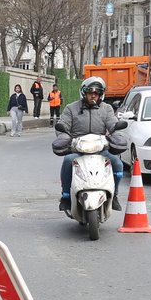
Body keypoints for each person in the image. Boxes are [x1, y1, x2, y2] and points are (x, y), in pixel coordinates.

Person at [54, 78, 127, 212]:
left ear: (101, 94)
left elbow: (113, 124)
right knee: (68, 160)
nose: (93, 95)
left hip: (100, 148)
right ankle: (65, 196)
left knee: (117, 163)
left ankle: (114, 195)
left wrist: (117, 135)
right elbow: (63, 125)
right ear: (83, 93)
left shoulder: (107, 109)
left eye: (97, 92)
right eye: (90, 92)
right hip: (77, 147)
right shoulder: (71, 108)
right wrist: (64, 137)